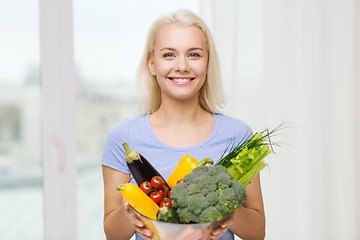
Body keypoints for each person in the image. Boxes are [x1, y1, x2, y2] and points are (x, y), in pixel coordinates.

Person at [101, 9, 265, 240]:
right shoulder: (124, 137)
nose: (182, 66)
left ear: (207, 63)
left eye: (194, 55)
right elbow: (112, 234)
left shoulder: (237, 135)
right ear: (152, 63)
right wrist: (128, 213)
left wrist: (230, 211)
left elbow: (258, 233)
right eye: (169, 55)